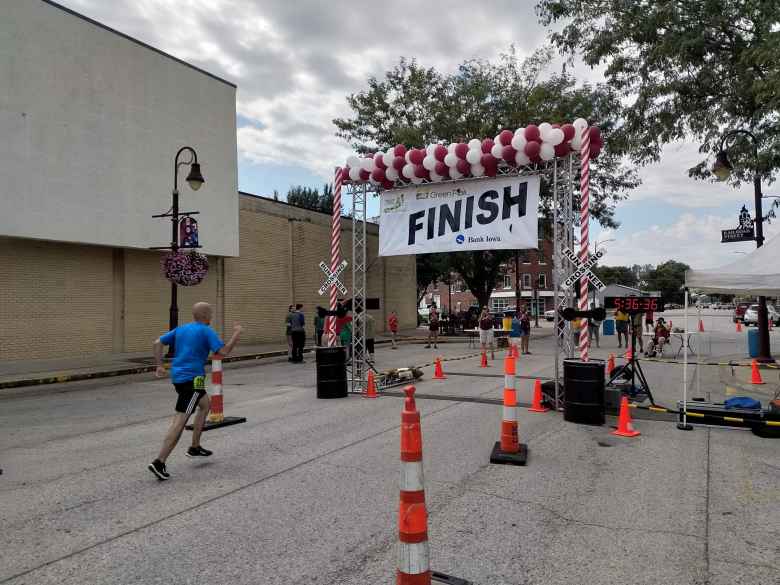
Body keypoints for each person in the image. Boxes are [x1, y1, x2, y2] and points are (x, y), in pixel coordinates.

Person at [148, 302, 242, 481]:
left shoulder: (182, 329)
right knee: (180, 421)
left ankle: (195, 446)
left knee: (205, 405)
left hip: (190, 377)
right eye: (211, 313)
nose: (212, 316)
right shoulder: (207, 331)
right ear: (207, 315)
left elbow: (157, 342)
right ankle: (159, 461)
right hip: (189, 380)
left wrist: (159, 366)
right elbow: (223, 352)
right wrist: (237, 333)